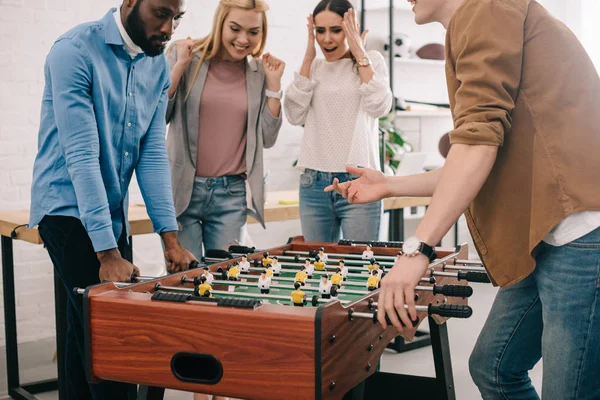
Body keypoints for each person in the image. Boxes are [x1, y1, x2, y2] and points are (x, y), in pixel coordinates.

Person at [326, 0, 600, 398]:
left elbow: (476, 145)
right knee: (493, 367)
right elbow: (479, 155)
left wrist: (416, 250)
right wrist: (388, 184)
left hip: (580, 235)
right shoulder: (481, 18)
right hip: (547, 236)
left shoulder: (486, 7)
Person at [29, 1, 196, 398]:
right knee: (109, 337)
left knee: (83, 331)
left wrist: (169, 238)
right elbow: (81, 157)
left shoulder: (155, 63)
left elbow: (151, 153)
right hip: (66, 209)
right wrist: (107, 254)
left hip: (108, 210)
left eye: (177, 17)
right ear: (130, 3)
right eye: (160, 13)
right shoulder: (74, 51)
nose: (169, 28)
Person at [166, 0, 284, 260]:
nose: (243, 39)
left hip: (230, 195)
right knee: (186, 285)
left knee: (226, 283)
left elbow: (268, 138)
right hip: (182, 190)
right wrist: (179, 67)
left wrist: (274, 87)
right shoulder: (185, 56)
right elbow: (158, 115)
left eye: (253, 32)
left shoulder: (258, 72)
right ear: (220, 23)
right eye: (235, 28)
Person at [284, 0, 393, 242]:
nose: (326, 39)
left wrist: (359, 51)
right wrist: (308, 59)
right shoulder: (314, 67)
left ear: (352, 28)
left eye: (336, 30)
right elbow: (293, 114)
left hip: (359, 181)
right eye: (320, 31)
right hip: (314, 184)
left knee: (362, 270)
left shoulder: (371, 61)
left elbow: (379, 106)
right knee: (319, 269)